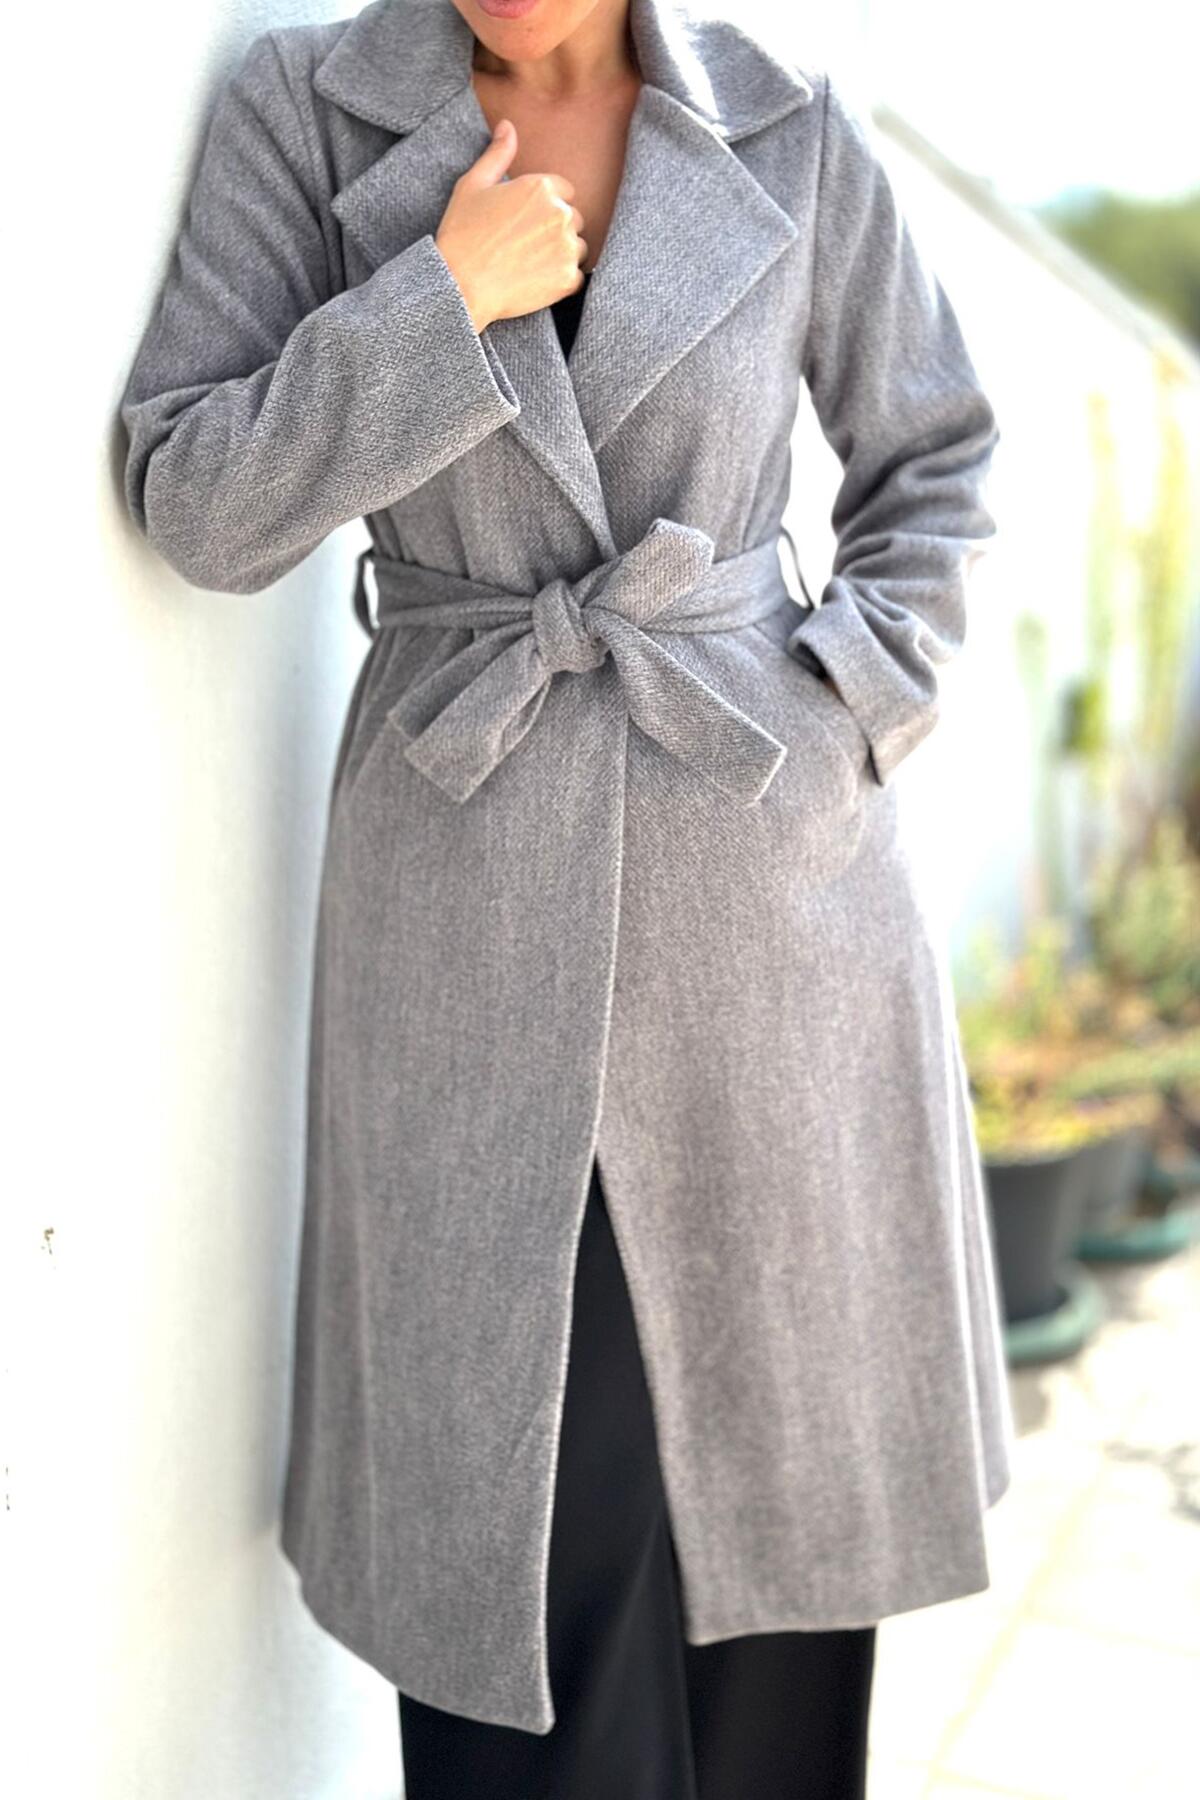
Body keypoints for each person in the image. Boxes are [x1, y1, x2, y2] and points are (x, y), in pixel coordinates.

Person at [119, 0, 1015, 1795]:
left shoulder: (787, 126)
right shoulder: (305, 109)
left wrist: (848, 698)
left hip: (766, 893)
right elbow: (195, 496)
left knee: (771, 1519)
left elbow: (937, 458)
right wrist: (435, 303)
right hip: (469, 888)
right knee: (520, 1530)